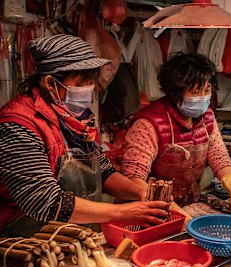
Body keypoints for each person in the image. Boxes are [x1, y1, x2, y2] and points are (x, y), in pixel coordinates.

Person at [0, 34, 170, 237]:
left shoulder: (79, 120)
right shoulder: (17, 124)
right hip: (26, 243)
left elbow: (104, 172)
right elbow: (45, 202)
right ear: (49, 82)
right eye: (82, 82)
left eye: (91, 81)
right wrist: (123, 212)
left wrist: (139, 192)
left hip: (75, 236)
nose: (89, 89)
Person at [122, 53, 231, 219]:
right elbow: (133, 178)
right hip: (147, 212)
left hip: (188, 205)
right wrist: (178, 215)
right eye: (195, 92)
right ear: (176, 92)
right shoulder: (147, 123)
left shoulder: (207, 118)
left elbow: (219, 158)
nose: (203, 98)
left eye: (207, 91)